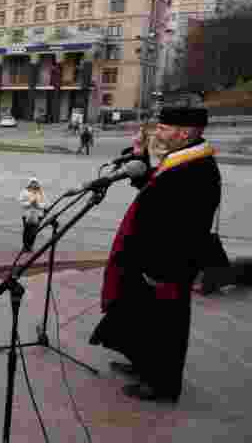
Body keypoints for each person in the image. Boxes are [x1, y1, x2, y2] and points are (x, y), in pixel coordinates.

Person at [90, 106, 221, 403]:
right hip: (149, 261)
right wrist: (139, 155)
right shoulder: (183, 160)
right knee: (144, 316)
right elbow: (153, 187)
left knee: (166, 325)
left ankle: (162, 384)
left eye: (163, 128)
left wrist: (160, 268)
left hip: (167, 266)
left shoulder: (199, 170)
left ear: (184, 132)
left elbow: (186, 229)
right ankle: (143, 364)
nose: (157, 133)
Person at [18, 177, 46, 252]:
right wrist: (30, 203)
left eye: (35, 182)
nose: (34, 184)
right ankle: (25, 246)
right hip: (26, 215)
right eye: (32, 182)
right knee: (26, 231)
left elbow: (44, 204)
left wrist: (37, 205)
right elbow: (21, 202)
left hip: (38, 215)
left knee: (34, 232)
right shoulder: (24, 192)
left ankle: (30, 246)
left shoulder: (41, 192)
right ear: (29, 183)